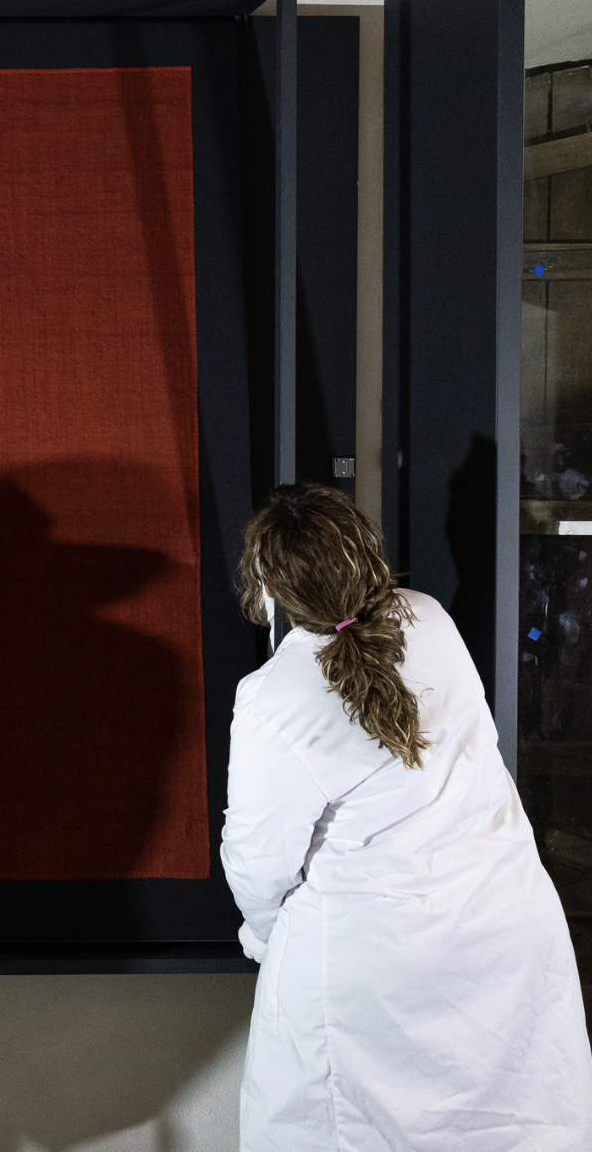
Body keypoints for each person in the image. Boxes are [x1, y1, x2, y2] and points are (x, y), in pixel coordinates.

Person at [224, 482, 592, 1151]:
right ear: (367, 553)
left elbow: (256, 866)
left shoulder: (272, 697)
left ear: (268, 587)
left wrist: (270, 937)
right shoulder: (429, 619)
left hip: (366, 970)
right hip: (503, 930)